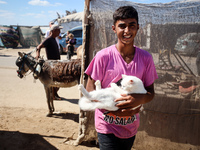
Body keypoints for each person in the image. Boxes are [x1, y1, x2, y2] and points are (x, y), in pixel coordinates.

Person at [84, 6, 158, 150]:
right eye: (122, 26)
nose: (127, 31)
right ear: (114, 28)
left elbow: (151, 92)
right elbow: (90, 91)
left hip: (131, 127)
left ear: (138, 28)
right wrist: (112, 109)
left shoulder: (145, 58)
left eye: (132, 26)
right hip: (106, 125)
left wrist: (138, 100)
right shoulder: (103, 56)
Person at [36, 24, 63, 100]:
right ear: (54, 31)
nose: (59, 32)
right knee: (56, 81)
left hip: (57, 63)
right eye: (58, 30)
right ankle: (53, 95)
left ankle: (54, 94)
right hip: (52, 64)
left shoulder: (54, 39)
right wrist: (38, 55)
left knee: (58, 81)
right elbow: (39, 47)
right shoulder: (48, 39)